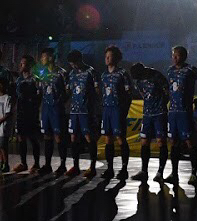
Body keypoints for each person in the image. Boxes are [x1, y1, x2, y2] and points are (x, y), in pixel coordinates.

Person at [164, 46, 197, 185]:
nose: (174, 58)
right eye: (173, 55)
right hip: (173, 112)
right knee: (173, 142)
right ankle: (174, 173)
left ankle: (194, 174)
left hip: (185, 112)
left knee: (189, 141)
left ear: (184, 56)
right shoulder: (170, 70)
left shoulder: (191, 70)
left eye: (177, 55)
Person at [129, 61, 168, 182]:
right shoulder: (138, 81)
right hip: (147, 114)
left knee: (161, 141)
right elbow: (143, 94)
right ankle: (144, 171)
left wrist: (162, 104)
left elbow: (167, 91)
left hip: (159, 113)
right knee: (144, 141)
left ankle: (160, 172)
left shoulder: (156, 75)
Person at [98, 45, 134, 180]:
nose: (107, 58)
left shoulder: (122, 74)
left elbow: (129, 93)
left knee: (120, 138)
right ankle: (109, 169)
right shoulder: (104, 75)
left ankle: (124, 169)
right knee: (108, 138)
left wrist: (124, 110)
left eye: (110, 56)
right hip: (106, 109)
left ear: (117, 58)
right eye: (106, 56)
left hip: (118, 110)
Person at [65, 49, 100, 177]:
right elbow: (68, 91)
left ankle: (92, 167)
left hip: (86, 111)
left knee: (89, 137)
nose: (73, 66)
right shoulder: (71, 73)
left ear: (80, 60)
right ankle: (75, 166)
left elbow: (98, 91)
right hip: (74, 111)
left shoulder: (91, 72)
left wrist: (95, 107)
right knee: (73, 137)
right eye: (71, 64)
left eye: (75, 63)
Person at [37, 48, 68, 175]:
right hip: (46, 108)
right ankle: (47, 164)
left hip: (57, 109)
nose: (42, 59)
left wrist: (60, 102)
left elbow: (67, 91)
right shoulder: (42, 73)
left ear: (50, 57)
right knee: (47, 135)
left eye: (43, 57)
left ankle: (62, 164)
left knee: (58, 136)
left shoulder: (61, 73)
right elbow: (40, 91)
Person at [12, 56, 42, 173]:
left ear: (30, 65)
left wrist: (34, 107)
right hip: (21, 112)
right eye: (20, 63)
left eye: (23, 63)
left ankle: (36, 164)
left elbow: (39, 95)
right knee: (21, 137)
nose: (21, 65)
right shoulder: (19, 80)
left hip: (31, 112)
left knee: (33, 137)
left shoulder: (35, 79)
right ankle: (23, 163)